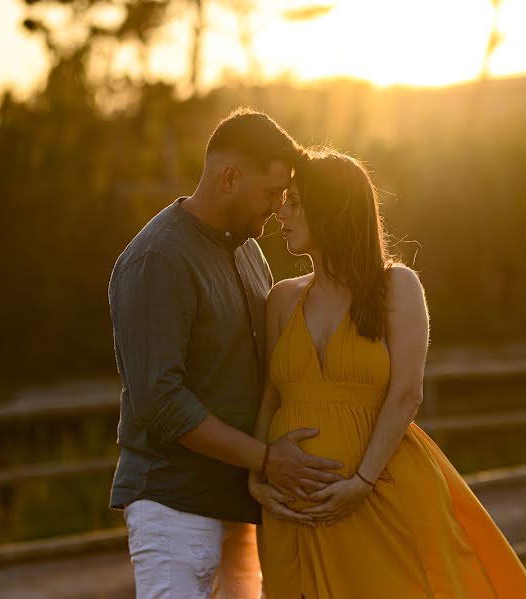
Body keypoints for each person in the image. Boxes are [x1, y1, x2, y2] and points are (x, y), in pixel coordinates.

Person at [249, 147, 526, 598]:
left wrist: (360, 483)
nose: (281, 212)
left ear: (330, 207)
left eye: (294, 201)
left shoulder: (396, 287)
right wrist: (257, 473)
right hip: (293, 508)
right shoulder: (282, 299)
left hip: (377, 493)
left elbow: (407, 393)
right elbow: (271, 395)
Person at [108, 109, 345, 599]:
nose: (277, 208)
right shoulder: (160, 258)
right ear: (229, 177)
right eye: (270, 192)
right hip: (175, 506)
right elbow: (160, 400)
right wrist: (266, 458)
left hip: (239, 505)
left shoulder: (245, 250)